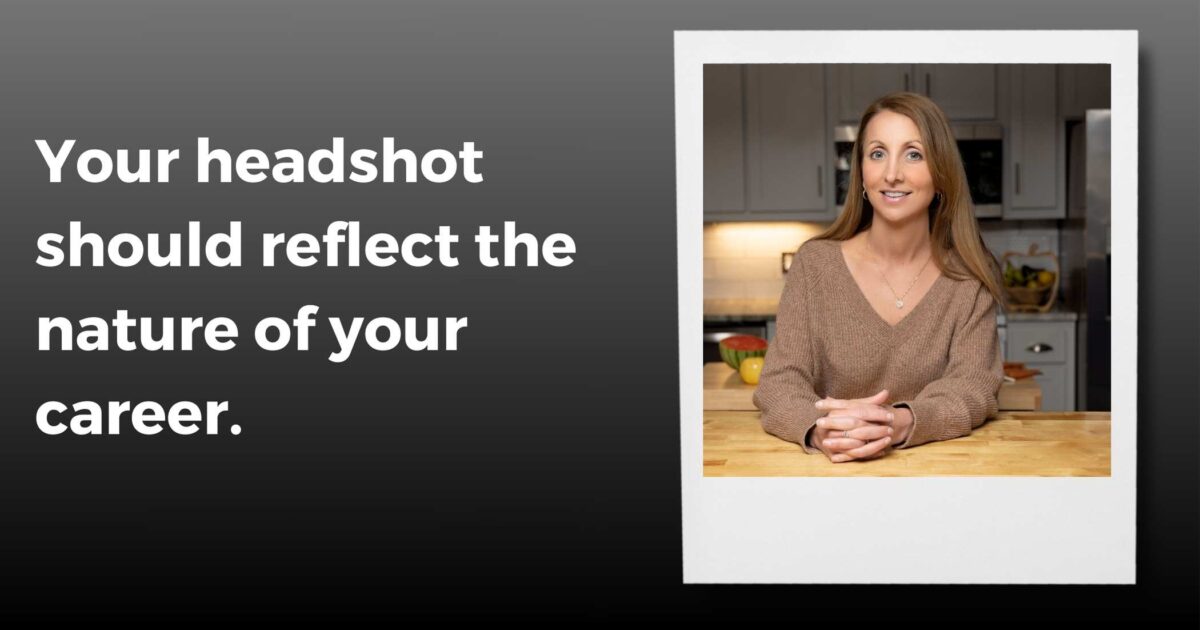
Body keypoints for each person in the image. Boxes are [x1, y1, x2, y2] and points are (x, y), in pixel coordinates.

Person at [752, 92, 1005, 464]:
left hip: (938, 478)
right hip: (829, 474)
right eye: (877, 153)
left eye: (913, 154)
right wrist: (819, 430)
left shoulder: (969, 276)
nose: (892, 173)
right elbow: (780, 381)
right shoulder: (815, 265)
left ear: (942, 173)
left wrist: (898, 423)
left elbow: (973, 387)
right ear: (861, 173)